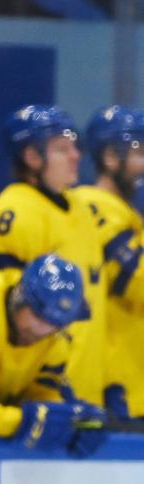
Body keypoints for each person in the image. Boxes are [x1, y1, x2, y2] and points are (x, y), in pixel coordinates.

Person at [0, 104, 107, 407]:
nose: (76, 156)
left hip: (86, 392)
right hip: (42, 396)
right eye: (62, 149)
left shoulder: (82, 207)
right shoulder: (14, 213)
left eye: (75, 146)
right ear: (32, 157)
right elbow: (4, 312)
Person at [0, 253, 105, 454]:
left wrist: (69, 420)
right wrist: (19, 423)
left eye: (55, 323)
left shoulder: (56, 336)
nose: (44, 330)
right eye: (38, 316)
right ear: (20, 297)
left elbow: (43, 396)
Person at [77, 105, 144, 420]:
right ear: (110, 157)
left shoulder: (126, 212)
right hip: (118, 388)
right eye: (139, 152)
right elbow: (139, 284)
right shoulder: (95, 205)